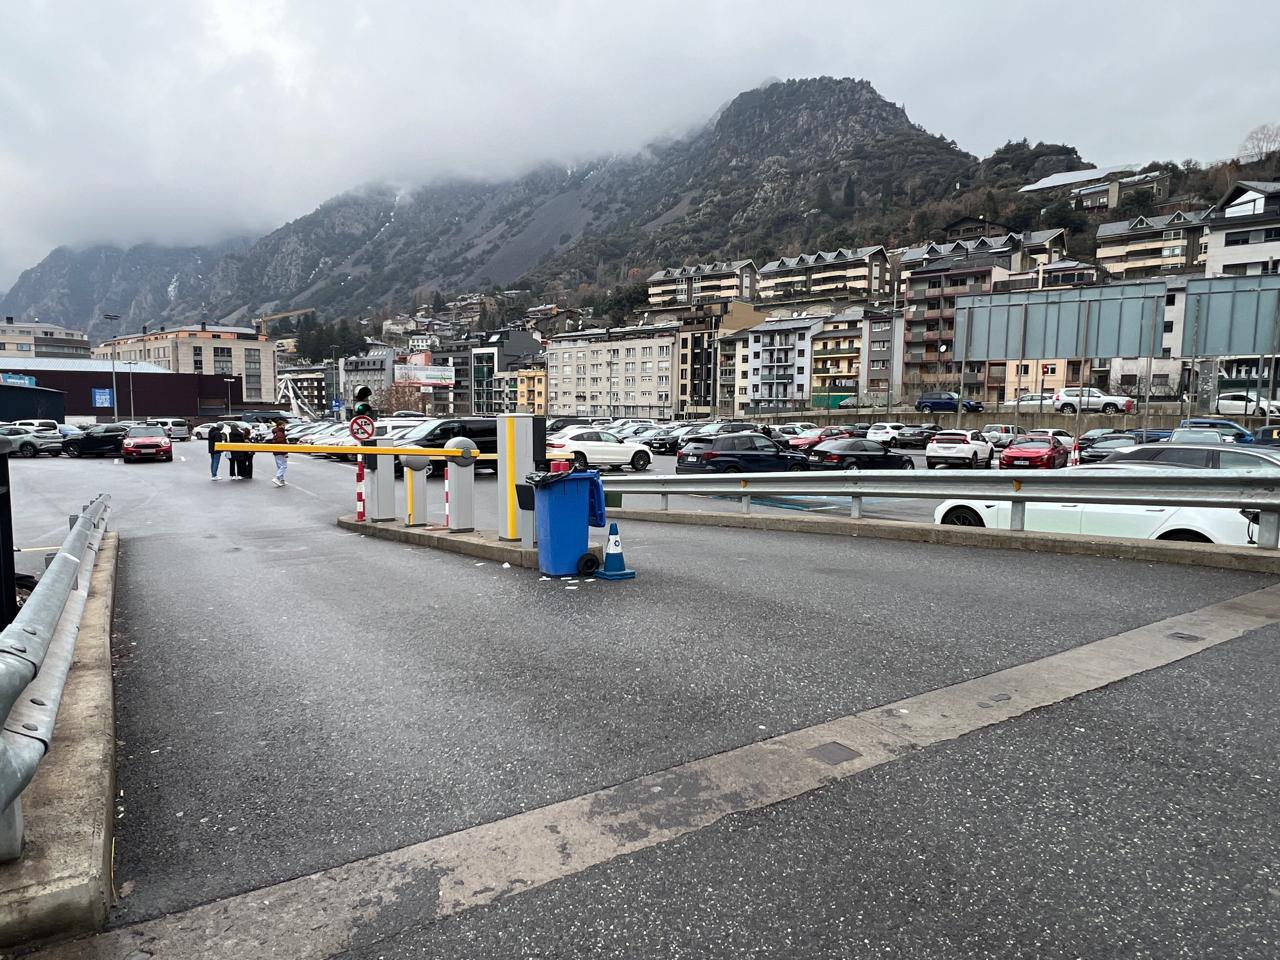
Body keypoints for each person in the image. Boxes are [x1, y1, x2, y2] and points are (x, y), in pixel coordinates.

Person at [271, 418, 289, 487]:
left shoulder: (276, 433)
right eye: (283, 425)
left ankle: (281, 480)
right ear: (280, 426)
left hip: (276, 452)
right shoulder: (280, 434)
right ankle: (277, 478)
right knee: (284, 466)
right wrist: (285, 452)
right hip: (280, 452)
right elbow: (282, 444)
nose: (284, 427)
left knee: (280, 466)